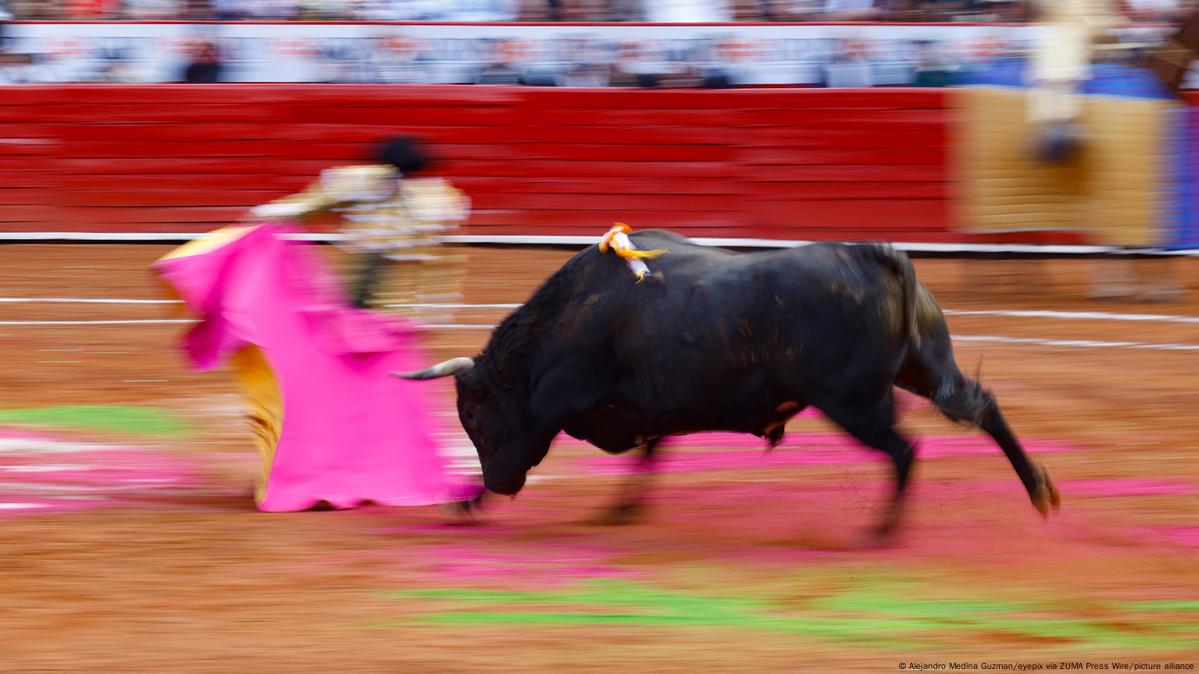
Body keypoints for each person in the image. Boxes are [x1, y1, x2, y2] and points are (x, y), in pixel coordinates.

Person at [154, 137, 484, 515]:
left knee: (330, 399)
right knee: (393, 407)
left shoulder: (385, 190)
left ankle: (327, 474)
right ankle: (349, 474)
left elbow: (296, 210)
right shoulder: (429, 201)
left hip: (376, 318)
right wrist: (429, 315)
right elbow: (442, 269)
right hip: (384, 318)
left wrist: (261, 221)